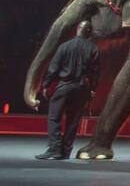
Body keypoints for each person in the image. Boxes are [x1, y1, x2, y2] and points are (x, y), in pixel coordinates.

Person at [35, 20, 100, 160]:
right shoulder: (93, 49)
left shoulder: (65, 46)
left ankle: (55, 149)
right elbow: (95, 73)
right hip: (81, 88)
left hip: (64, 86)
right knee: (73, 120)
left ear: (77, 29)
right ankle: (65, 150)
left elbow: (54, 67)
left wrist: (46, 84)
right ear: (89, 33)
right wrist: (92, 89)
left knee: (54, 117)